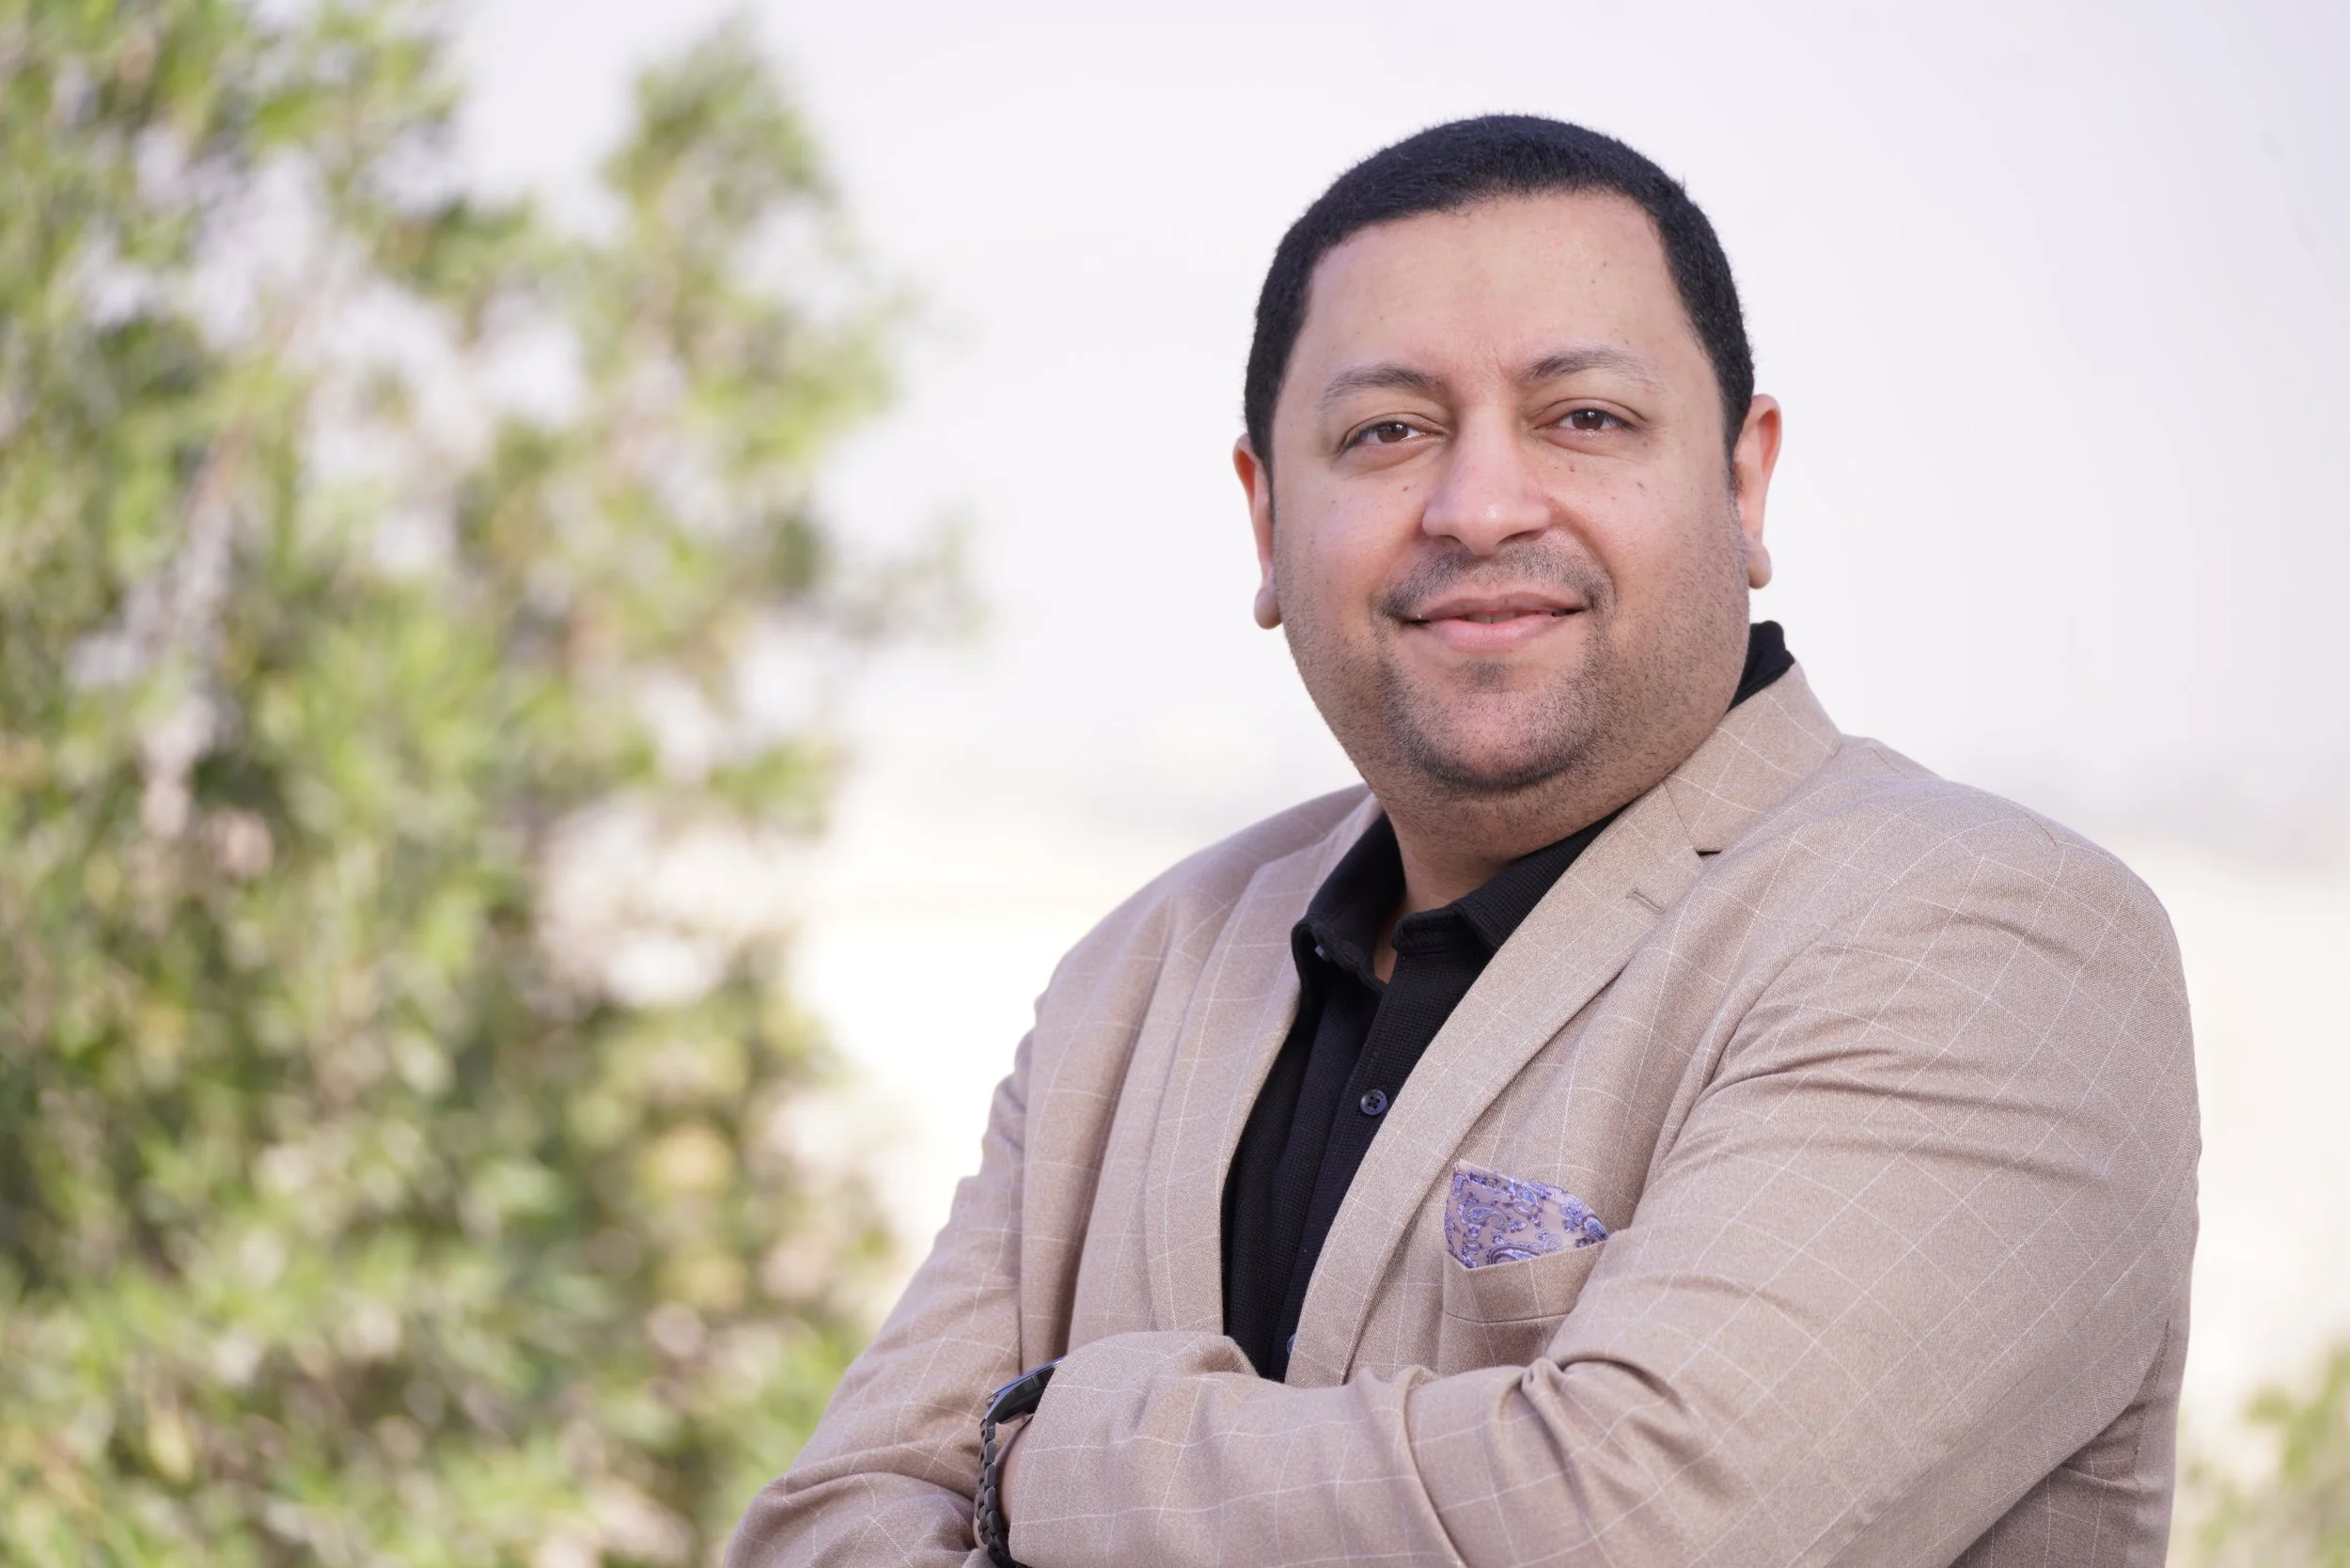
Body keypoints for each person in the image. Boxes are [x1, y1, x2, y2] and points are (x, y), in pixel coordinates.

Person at [728, 116, 2198, 1568]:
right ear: (1266, 518)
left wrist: (1061, 1452)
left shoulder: (1987, 938)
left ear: (1744, 483)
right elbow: (816, 1531)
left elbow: (1621, 1534)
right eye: (1388, 432)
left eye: (1585, 418)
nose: (1481, 507)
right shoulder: (1140, 975)